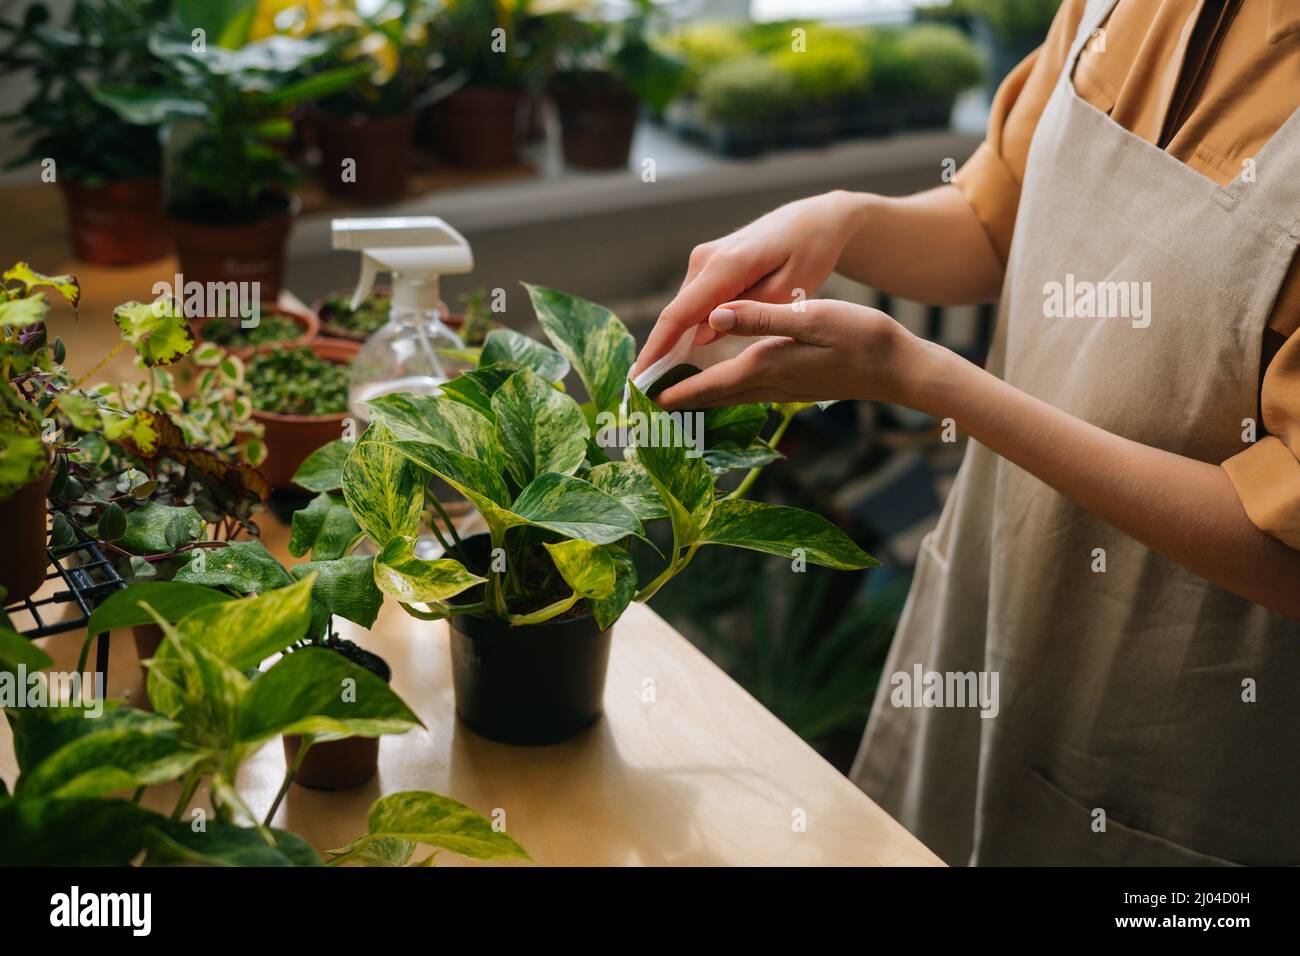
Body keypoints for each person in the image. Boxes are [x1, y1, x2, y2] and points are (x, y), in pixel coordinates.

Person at [632, 0, 1300, 865]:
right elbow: (994, 222)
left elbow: (1285, 551)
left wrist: (930, 383)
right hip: (996, 599)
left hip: (1188, 713)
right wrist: (844, 219)